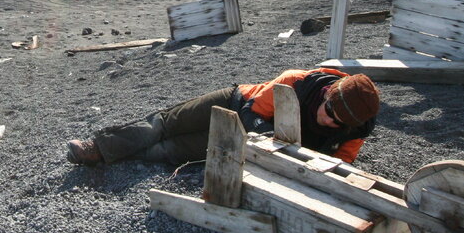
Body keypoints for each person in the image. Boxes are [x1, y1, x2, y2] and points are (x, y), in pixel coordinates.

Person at [66, 68, 380, 166]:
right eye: (330, 113)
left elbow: (341, 163)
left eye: (340, 124)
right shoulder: (296, 82)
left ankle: (122, 157)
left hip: (244, 146)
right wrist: (273, 141)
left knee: (170, 151)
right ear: (327, 94)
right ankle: (100, 148)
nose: (331, 123)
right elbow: (252, 112)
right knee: (165, 124)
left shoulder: (356, 127)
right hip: (235, 101)